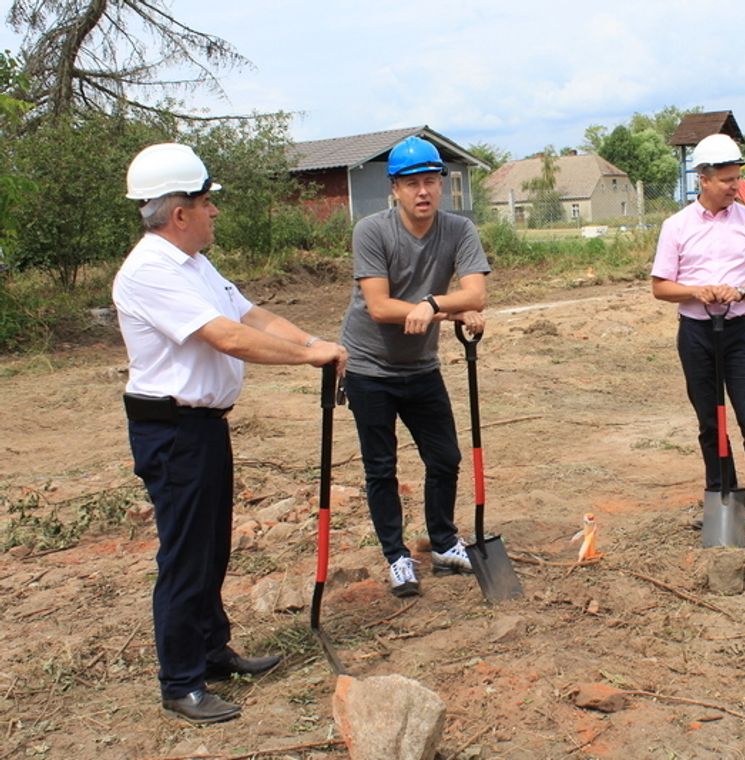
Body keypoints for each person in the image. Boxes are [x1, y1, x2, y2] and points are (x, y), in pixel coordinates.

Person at [113, 144, 348, 724]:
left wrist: (312, 342)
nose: (214, 211)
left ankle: (212, 650)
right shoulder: (148, 271)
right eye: (206, 200)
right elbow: (228, 339)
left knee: (212, 544)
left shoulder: (192, 263)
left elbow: (251, 316)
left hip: (203, 427)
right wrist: (308, 359)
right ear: (178, 212)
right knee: (187, 555)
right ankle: (180, 681)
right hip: (172, 430)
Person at [339, 136, 489, 598]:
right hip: (368, 366)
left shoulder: (458, 230)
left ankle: (443, 541)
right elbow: (380, 307)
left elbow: (476, 295)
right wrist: (444, 310)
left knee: (445, 457)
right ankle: (396, 556)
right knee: (380, 467)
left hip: (421, 364)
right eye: (412, 184)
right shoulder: (371, 230)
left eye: (430, 181)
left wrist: (432, 303)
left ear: (441, 185)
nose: (422, 192)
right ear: (395, 189)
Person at [651, 133, 745, 541]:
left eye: (737, 178)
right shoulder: (676, 226)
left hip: (740, 332)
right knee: (710, 422)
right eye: (727, 179)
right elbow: (660, 287)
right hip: (695, 332)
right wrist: (696, 291)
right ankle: (721, 496)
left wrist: (740, 291)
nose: (735, 186)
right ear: (704, 178)